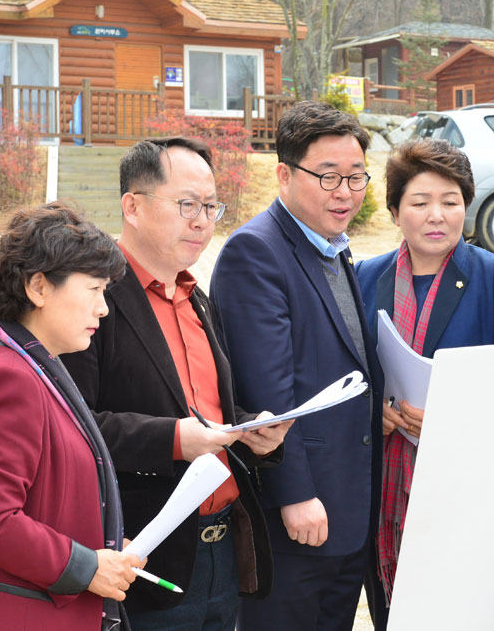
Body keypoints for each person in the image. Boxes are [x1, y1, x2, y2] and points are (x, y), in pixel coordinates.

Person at [62, 138, 290, 631]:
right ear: (133, 207)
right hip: (143, 556)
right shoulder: (94, 301)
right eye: (187, 204)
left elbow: (212, 411)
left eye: (211, 206)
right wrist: (171, 440)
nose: (202, 221)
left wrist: (255, 431)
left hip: (223, 545)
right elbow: (70, 426)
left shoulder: (198, 299)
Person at [0, 202, 143, 631]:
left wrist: (106, 543)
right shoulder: (10, 377)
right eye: (94, 289)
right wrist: (86, 566)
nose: (103, 308)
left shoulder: (36, 365)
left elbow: (47, 495)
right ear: (38, 287)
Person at [210, 101, 383, 631]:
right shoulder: (256, 252)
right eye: (328, 176)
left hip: (345, 506)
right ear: (284, 174)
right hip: (298, 516)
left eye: (356, 177)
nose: (345, 192)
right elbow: (268, 392)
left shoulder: (331, 245)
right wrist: (296, 495)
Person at [354, 137, 494, 623]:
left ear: (466, 207)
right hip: (384, 478)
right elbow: (353, 375)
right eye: (420, 202)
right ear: (394, 212)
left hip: (464, 480)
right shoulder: (366, 277)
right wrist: (378, 412)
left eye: (451, 202)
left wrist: (449, 422)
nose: (437, 215)